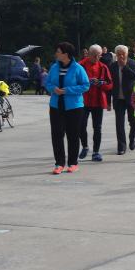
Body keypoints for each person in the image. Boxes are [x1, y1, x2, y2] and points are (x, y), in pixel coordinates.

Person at [45, 42, 90, 175]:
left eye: (58, 51)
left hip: (74, 107)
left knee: (73, 135)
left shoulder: (78, 68)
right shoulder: (54, 67)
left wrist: (67, 90)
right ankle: (59, 163)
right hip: (56, 106)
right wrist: (53, 89)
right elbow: (47, 83)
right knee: (57, 135)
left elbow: (85, 85)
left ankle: (73, 163)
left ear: (66, 54)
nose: (56, 54)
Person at [78, 45, 113, 162]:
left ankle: (96, 152)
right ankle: (85, 146)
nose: (97, 58)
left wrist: (101, 83)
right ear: (89, 54)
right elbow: (73, 81)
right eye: (95, 56)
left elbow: (110, 84)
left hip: (98, 101)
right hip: (83, 101)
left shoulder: (103, 67)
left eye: (99, 56)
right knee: (81, 125)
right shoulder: (80, 65)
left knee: (97, 127)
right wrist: (87, 82)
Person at [110, 45, 135, 154]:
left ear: (127, 54)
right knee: (119, 124)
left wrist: (124, 67)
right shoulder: (112, 66)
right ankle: (121, 147)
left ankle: (132, 137)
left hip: (131, 98)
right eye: (119, 54)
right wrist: (108, 101)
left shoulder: (133, 63)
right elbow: (110, 83)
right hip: (118, 99)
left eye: (123, 54)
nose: (121, 56)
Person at [100, 46, 114, 110]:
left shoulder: (109, 54)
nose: (104, 50)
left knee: (109, 89)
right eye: (103, 49)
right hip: (102, 74)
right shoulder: (100, 55)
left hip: (109, 73)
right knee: (102, 89)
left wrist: (101, 58)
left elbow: (107, 60)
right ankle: (103, 104)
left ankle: (108, 104)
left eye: (105, 49)